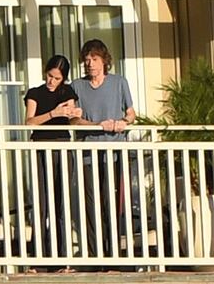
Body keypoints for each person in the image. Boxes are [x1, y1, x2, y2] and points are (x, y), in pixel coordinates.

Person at [70, 39, 136, 261]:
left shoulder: (119, 82)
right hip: (88, 153)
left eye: (94, 59)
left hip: (114, 152)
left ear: (104, 60)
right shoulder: (77, 86)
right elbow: (74, 120)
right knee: (91, 203)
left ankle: (114, 254)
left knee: (112, 202)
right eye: (87, 60)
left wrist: (122, 122)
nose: (90, 64)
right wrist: (98, 125)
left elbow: (131, 113)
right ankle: (93, 254)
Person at [24, 55, 81, 271]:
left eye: (57, 78)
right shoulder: (35, 93)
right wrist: (52, 113)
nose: (52, 81)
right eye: (50, 76)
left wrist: (75, 114)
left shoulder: (67, 92)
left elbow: (73, 121)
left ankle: (61, 259)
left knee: (61, 202)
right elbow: (29, 122)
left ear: (63, 79)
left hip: (62, 146)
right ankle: (38, 258)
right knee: (41, 203)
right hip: (40, 146)